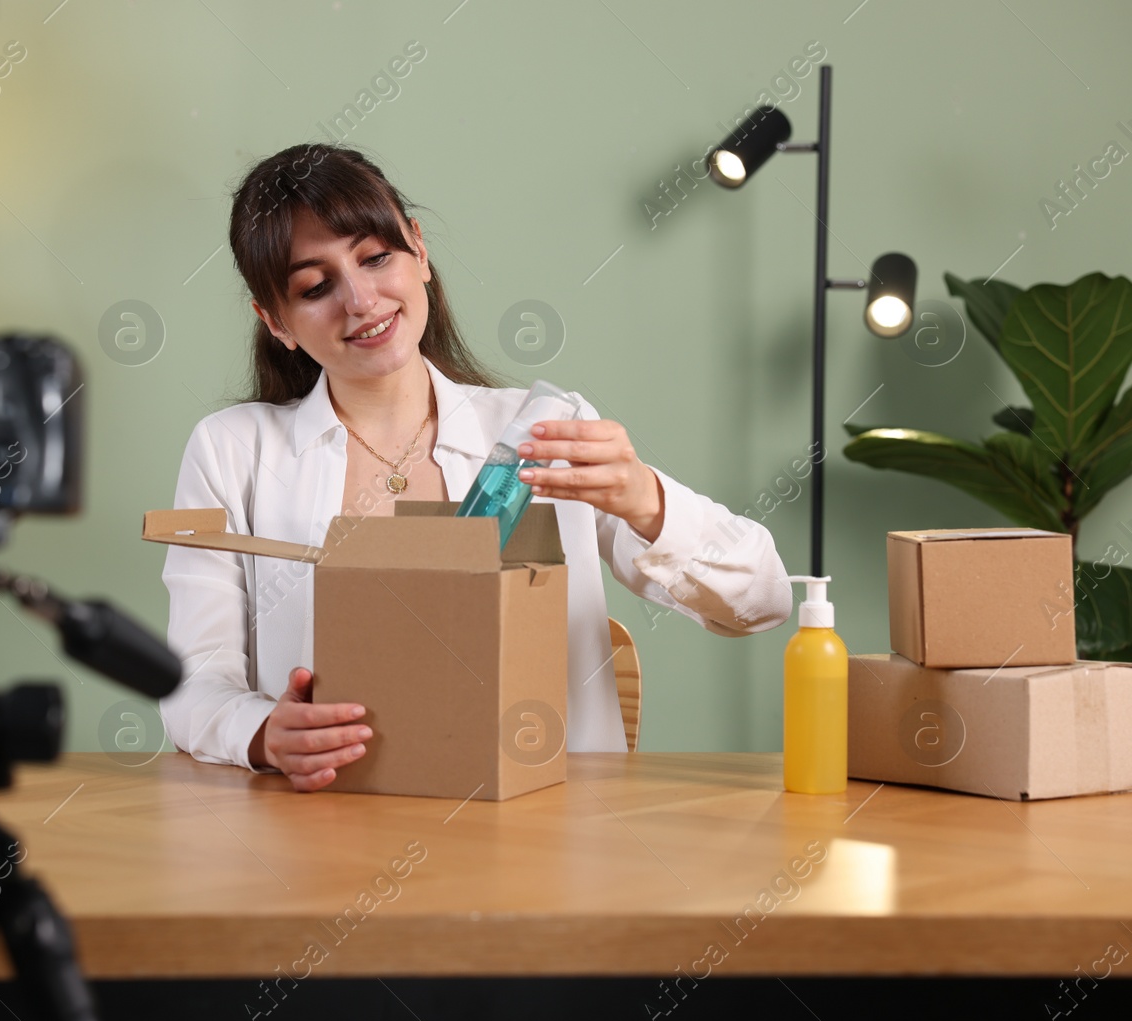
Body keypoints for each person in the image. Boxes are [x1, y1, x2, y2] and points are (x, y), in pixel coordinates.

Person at [159, 143, 792, 793]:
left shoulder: (540, 429)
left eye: (376, 257)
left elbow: (762, 600)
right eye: (315, 286)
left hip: (544, 841)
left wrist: (643, 498)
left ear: (420, 251)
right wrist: (263, 732)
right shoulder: (232, 450)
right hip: (328, 838)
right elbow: (189, 681)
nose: (360, 298)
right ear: (276, 321)